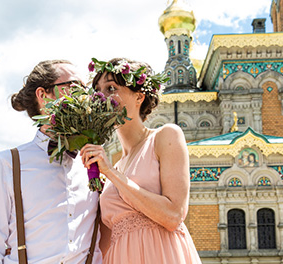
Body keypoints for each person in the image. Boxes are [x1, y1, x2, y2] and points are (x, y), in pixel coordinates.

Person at [0, 60, 102, 264]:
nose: (85, 97)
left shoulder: (94, 165)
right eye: (75, 87)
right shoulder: (7, 163)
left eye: (86, 90)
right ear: (43, 96)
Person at [81, 58, 202, 263]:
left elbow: (173, 216)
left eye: (111, 88)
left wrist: (111, 173)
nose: (102, 96)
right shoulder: (111, 169)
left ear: (139, 97)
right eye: (97, 90)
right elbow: (104, 242)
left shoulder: (165, 136)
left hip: (163, 255)